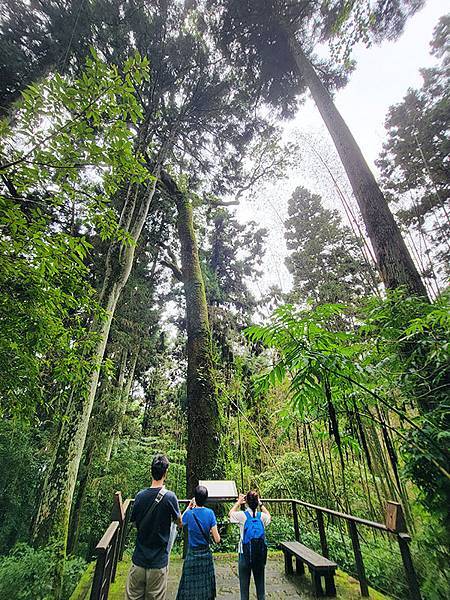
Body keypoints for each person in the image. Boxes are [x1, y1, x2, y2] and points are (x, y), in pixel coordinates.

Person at [125, 454, 182, 600]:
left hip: (138, 560)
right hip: (158, 563)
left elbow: (135, 523)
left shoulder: (140, 496)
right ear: (165, 473)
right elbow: (179, 522)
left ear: (151, 471)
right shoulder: (170, 497)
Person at [176, 485, 220, 600]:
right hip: (205, 554)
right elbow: (217, 539)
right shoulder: (210, 513)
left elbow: (180, 523)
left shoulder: (189, 514)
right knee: (205, 586)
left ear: (195, 498)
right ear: (206, 499)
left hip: (192, 554)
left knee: (190, 586)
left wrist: (188, 508)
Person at [229, 491, 271, 600]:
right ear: (257, 502)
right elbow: (269, 516)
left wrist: (238, 502)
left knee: (244, 589)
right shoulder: (261, 516)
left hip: (244, 554)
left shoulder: (242, 516)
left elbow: (231, 514)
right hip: (259, 555)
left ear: (246, 502)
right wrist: (261, 504)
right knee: (260, 588)